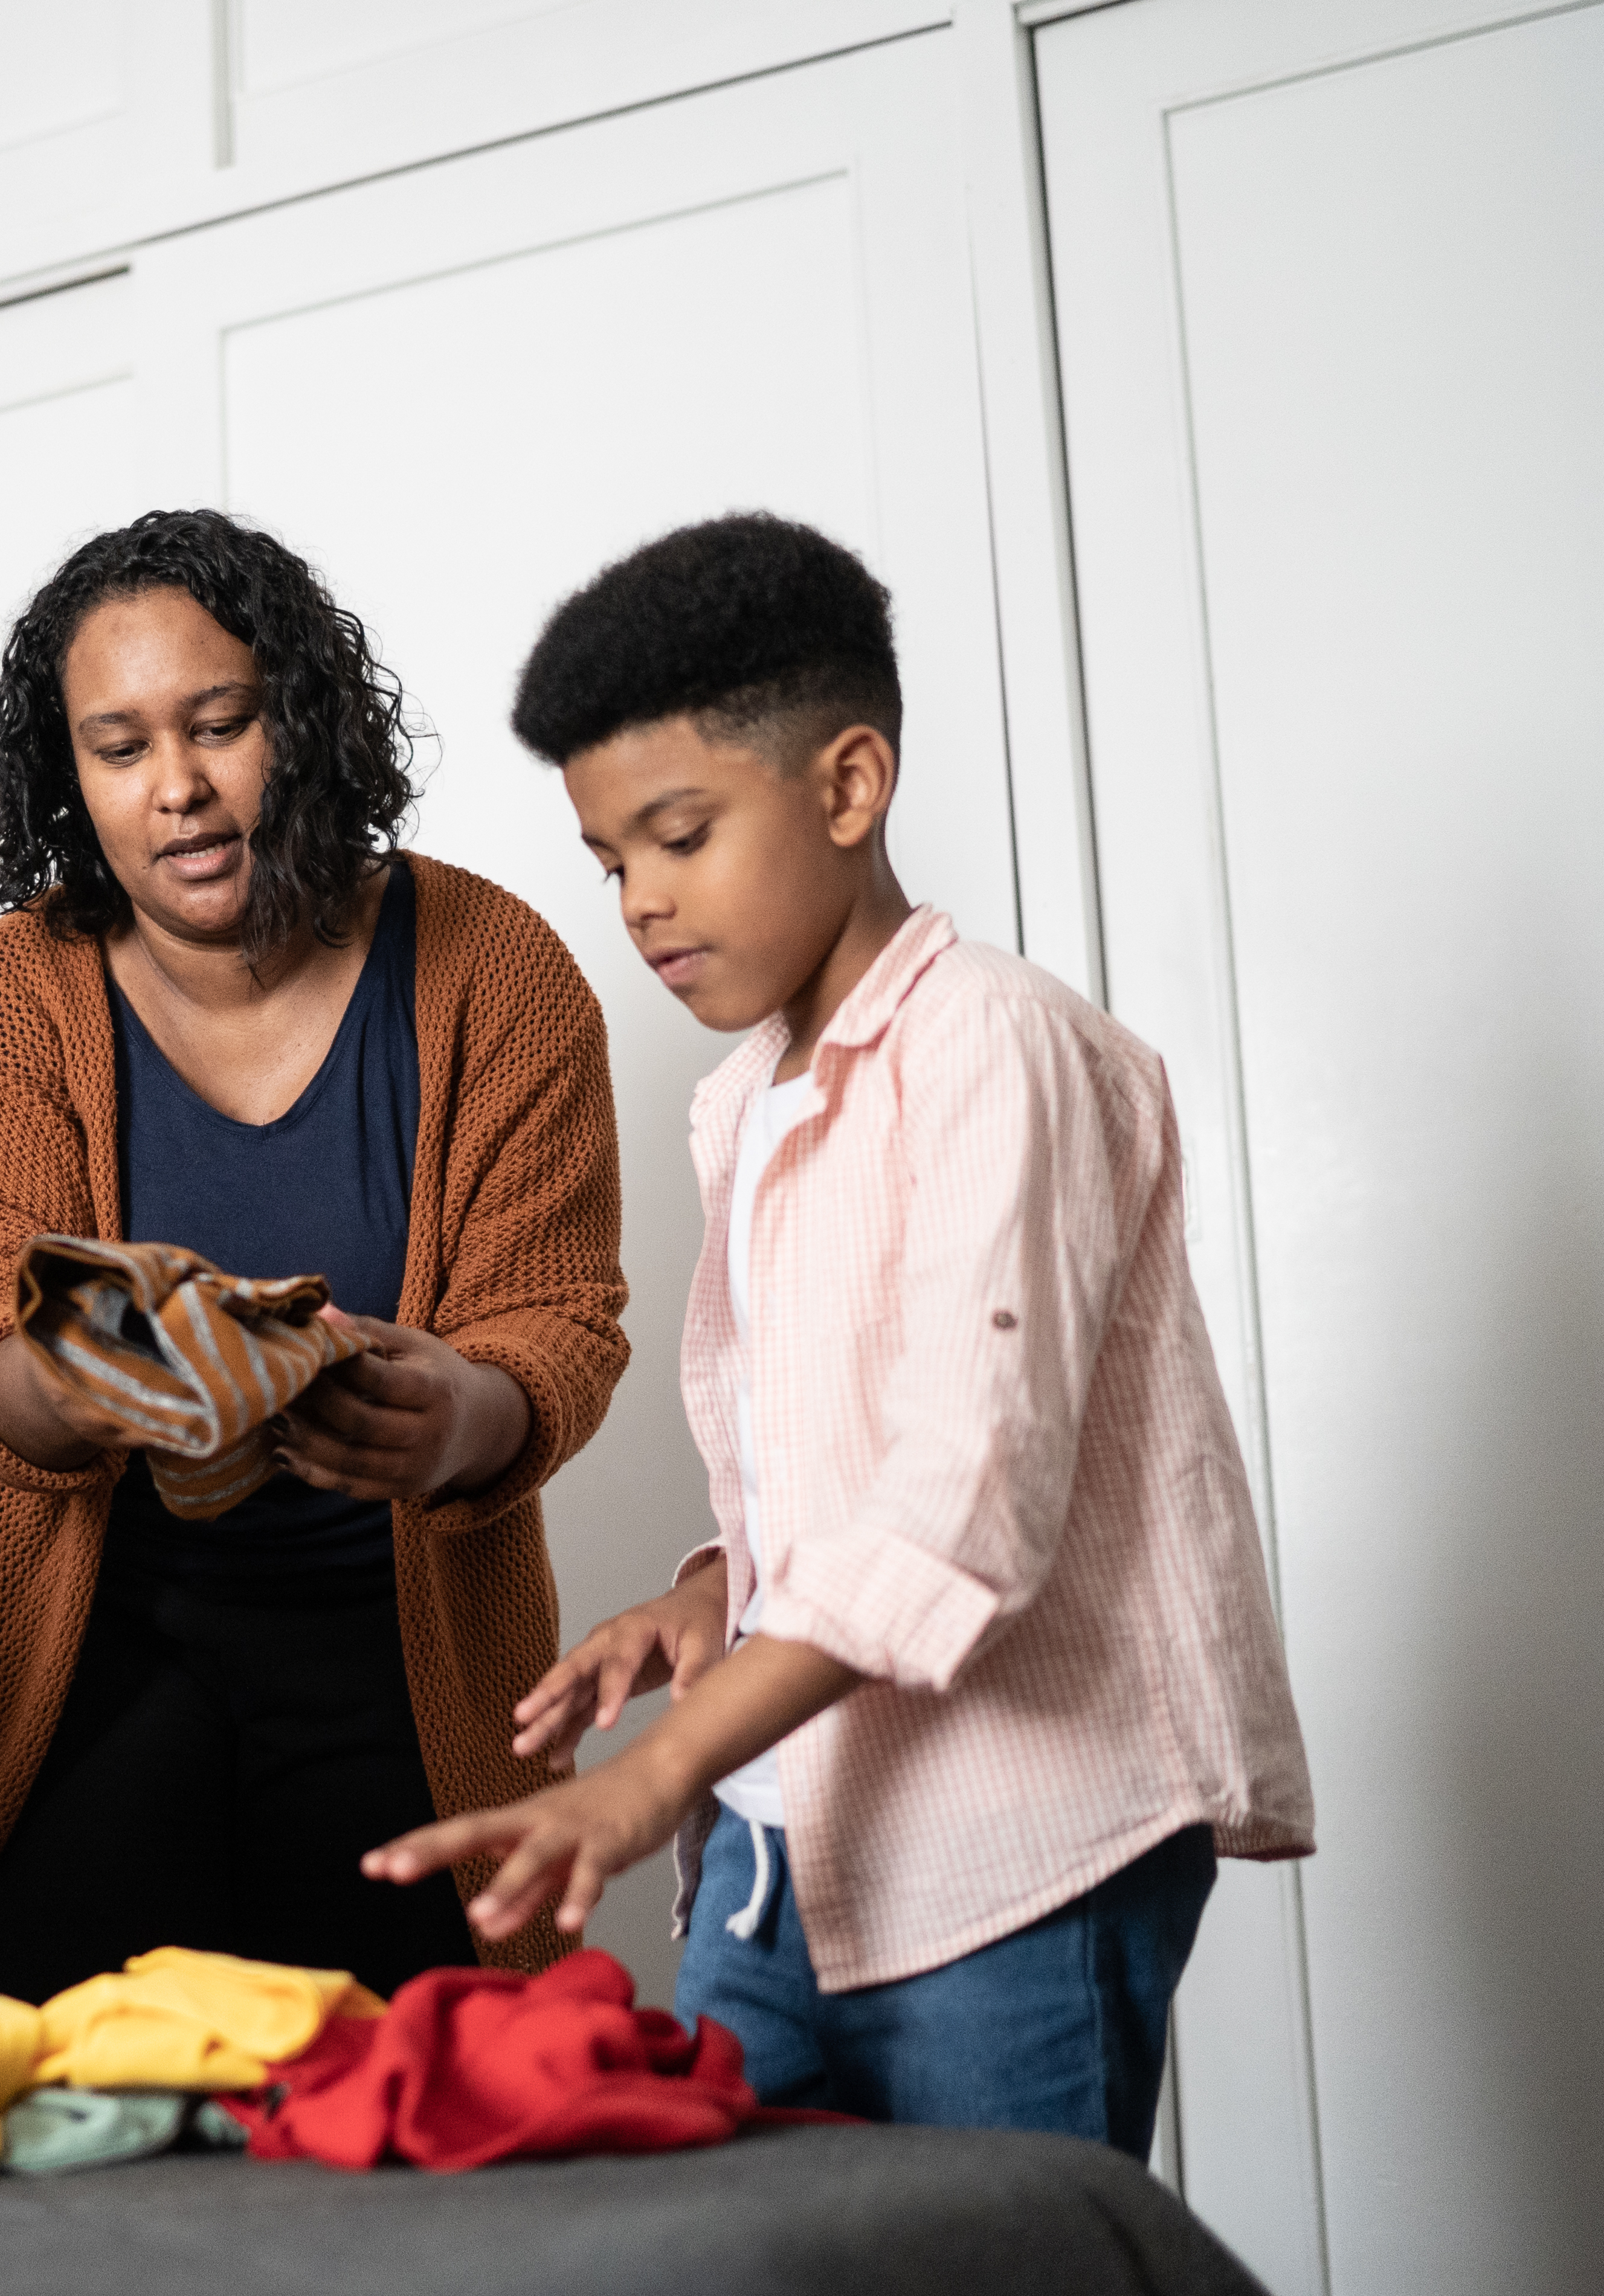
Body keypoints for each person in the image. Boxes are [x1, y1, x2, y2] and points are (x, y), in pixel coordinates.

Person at [364, 514, 1313, 2158]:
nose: (640, 904)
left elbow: (960, 1507)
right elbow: (831, 1465)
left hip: (1011, 1858)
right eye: (609, 863)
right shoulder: (745, 1104)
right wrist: (706, 1591)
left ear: (847, 784)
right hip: (776, 1851)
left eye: (676, 835)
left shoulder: (1000, 1053)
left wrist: (647, 1776)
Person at [0, 509, 633, 2023]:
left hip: (397, 1670)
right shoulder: (2, 1001)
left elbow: (555, 1321)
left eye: (221, 722)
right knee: (68, 2160)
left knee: (415, 2170)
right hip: (78, 1665)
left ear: (305, 713)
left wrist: (462, 1414)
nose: (179, 787)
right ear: (66, 775)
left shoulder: (496, 969)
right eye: (119, 745)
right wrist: (93, 1362)